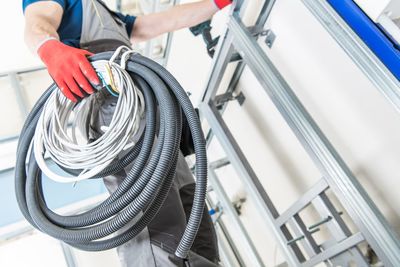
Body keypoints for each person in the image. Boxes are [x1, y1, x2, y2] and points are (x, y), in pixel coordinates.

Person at [22, 0, 232, 266]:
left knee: (188, 198)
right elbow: (37, 22)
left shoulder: (109, 14)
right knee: (151, 204)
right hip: (110, 100)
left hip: (146, 99)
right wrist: (49, 48)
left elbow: (166, 21)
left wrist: (218, 3)